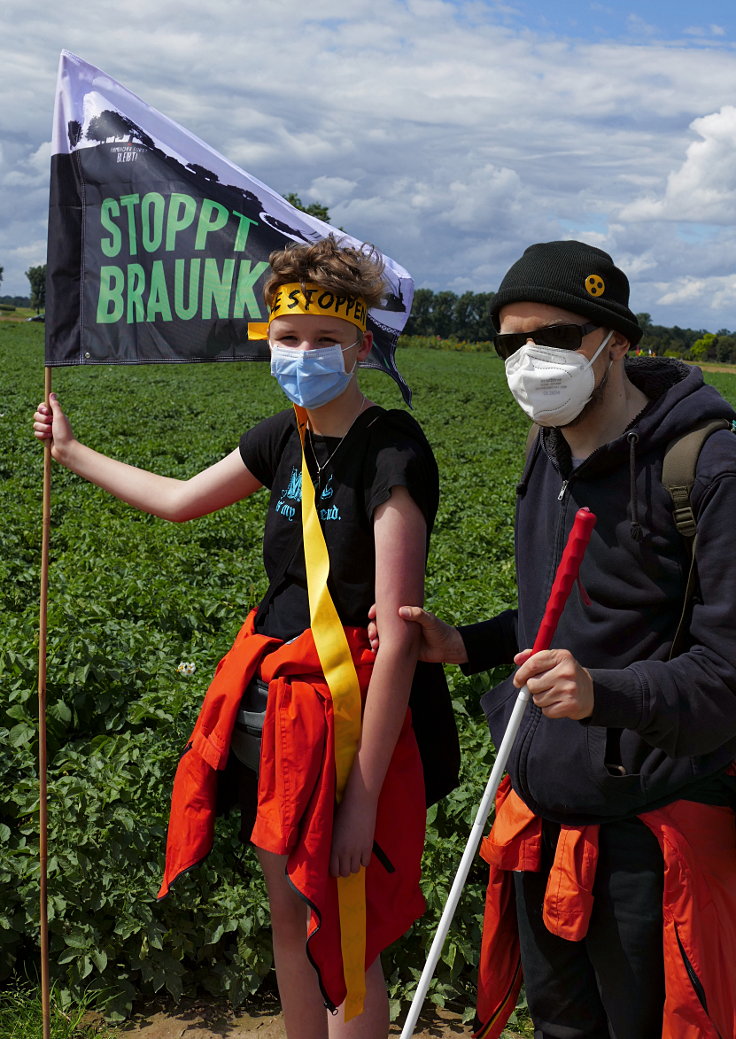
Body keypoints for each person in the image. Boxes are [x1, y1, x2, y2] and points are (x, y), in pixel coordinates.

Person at [33, 236, 458, 1039]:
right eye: (289, 338)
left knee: (347, 924)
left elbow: (400, 635)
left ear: (361, 345)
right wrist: (71, 451)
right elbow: (181, 499)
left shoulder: (393, 449)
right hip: (273, 708)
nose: (304, 354)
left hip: (351, 718)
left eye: (325, 340)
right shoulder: (281, 436)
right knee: (291, 914)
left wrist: (363, 800)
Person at [374, 241, 736, 1038]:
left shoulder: (705, 467)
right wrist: (465, 643)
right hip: (542, 814)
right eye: (511, 341)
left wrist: (603, 692)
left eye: (557, 337)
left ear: (616, 343)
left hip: (648, 829)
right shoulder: (548, 450)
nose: (531, 359)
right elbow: (558, 618)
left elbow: (726, 677)